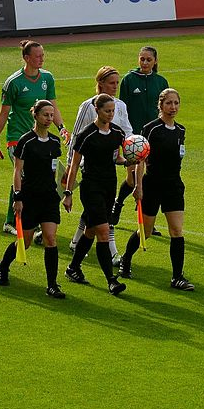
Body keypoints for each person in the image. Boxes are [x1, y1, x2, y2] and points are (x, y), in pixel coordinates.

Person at [0, 40, 68, 235]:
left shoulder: (47, 78)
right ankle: (12, 221)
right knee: (23, 175)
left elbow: (53, 107)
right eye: (38, 55)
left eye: (43, 55)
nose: (42, 58)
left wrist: (62, 127)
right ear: (26, 58)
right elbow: (3, 113)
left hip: (39, 138)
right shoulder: (13, 82)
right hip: (17, 138)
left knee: (49, 176)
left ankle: (37, 219)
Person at [121, 88, 194, 291]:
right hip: (152, 185)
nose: (173, 107)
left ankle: (177, 277)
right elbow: (140, 160)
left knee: (176, 230)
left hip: (174, 186)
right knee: (145, 231)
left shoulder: (181, 130)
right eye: (169, 103)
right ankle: (126, 259)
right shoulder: (151, 129)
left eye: (176, 103)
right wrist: (138, 186)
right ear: (160, 105)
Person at [0, 99, 65, 299]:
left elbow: (56, 170)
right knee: (24, 242)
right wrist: (17, 197)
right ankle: (3, 265)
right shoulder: (26, 141)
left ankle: (52, 285)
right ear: (35, 115)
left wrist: (65, 191)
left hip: (49, 198)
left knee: (50, 239)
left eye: (52, 116)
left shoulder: (54, 142)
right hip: (30, 197)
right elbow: (17, 171)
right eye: (46, 115)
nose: (49, 119)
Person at [62, 94, 128, 296]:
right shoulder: (86, 135)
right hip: (91, 187)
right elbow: (74, 166)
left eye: (112, 111)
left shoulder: (117, 133)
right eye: (107, 111)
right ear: (97, 110)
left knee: (90, 230)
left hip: (109, 186)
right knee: (103, 231)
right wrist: (68, 193)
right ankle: (111, 280)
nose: (110, 114)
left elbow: (117, 158)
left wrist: (128, 161)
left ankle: (73, 268)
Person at [66, 66, 133, 263]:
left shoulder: (120, 106)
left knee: (94, 213)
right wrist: (70, 167)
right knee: (103, 216)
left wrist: (134, 153)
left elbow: (127, 133)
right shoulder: (88, 106)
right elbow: (77, 136)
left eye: (117, 83)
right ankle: (112, 255)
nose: (115, 86)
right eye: (111, 83)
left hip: (109, 169)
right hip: (90, 169)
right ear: (100, 83)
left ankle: (75, 244)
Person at [114, 46, 169, 232]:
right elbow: (121, 109)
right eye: (142, 59)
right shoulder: (129, 80)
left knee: (149, 179)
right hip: (134, 138)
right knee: (132, 179)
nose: (145, 63)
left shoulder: (161, 82)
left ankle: (147, 220)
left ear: (155, 61)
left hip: (155, 137)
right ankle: (118, 202)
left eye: (148, 60)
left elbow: (165, 109)